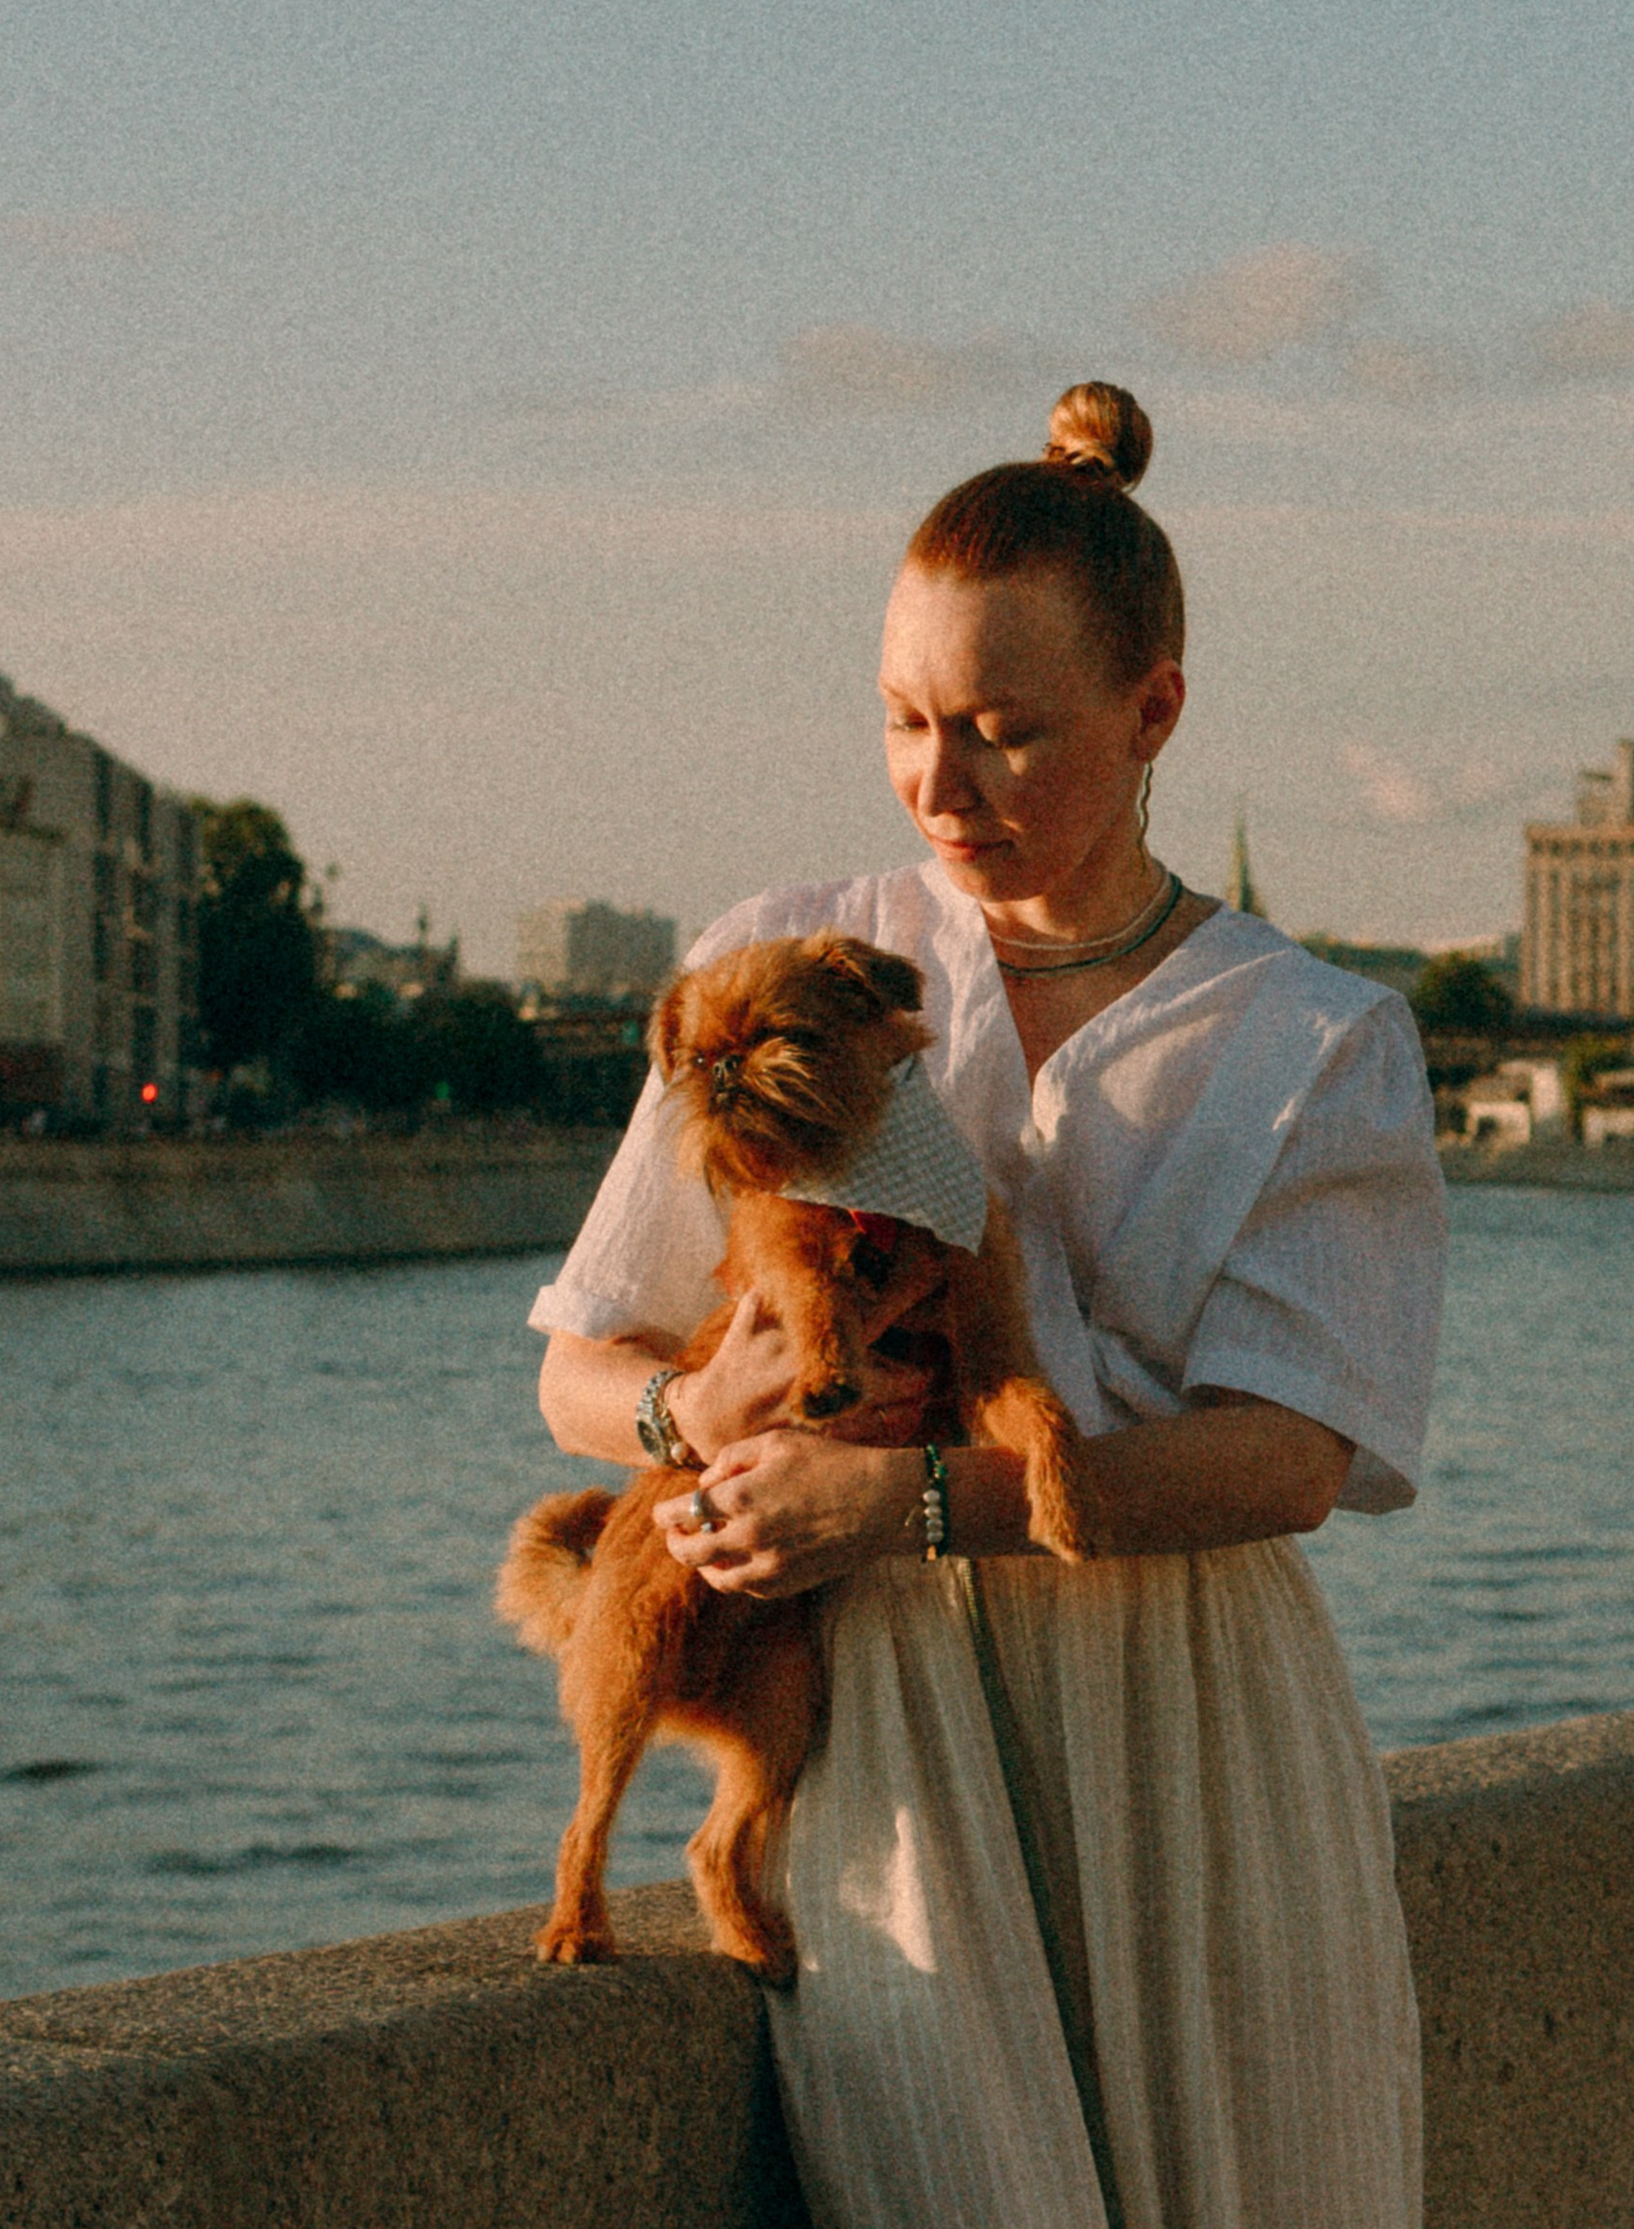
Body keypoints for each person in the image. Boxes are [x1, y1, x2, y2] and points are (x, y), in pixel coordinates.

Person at [529, 383, 1443, 2229]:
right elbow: (581, 1368)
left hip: (1194, 1724)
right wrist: (698, 1417)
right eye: (905, 721)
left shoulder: (1314, 1036)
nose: (941, 787)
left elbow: (1289, 1460)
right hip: (878, 1739)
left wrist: (900, 1501)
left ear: (1154, 709)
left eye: (1006, 734)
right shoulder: (775, 967)